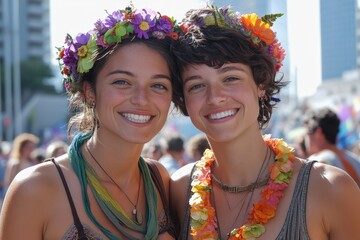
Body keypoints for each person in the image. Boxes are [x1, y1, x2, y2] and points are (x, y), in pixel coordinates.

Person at [170, 5, 360, 239]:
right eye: (196, 85)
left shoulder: (329, 189)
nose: (215, 97)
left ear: (260, 85)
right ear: (183, 98)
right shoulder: (178, 190)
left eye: (230, 78)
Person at [0, 6, 183, 239]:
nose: (141, 99)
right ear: (89, 92)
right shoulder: (36, 189)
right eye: (122, 82)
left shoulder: (160, 180)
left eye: (158, 85)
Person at [304, 107, 360, 186]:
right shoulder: (354, 159)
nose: (305, 138)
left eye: (307, 133)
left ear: (318, 132)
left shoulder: (315, 164)